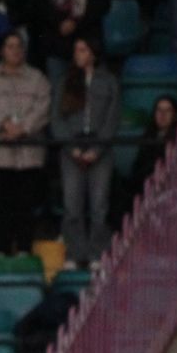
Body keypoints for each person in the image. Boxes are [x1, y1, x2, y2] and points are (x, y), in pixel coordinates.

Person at [0, 32, 52, 257]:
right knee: (0, 208)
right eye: (9, 46)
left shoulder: (38, 79)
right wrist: (3, 124)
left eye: (19, 46)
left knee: (25, 208)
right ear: (1, 50)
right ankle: (2, 253)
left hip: (28, 157)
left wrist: (23, 128)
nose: (15, 50)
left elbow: (43, 110)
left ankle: (25, 251)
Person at [53, 36, 119, 269]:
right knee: (72, 204)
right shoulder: (64, 82)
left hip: (100, 146)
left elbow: (112, 119)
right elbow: (57, 119)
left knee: (99, 203)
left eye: (82, 49)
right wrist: (72, 149)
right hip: (72, 145)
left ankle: (96, 253)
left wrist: (97, 149)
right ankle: (74, 253)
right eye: (76, 50)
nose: (77, 54)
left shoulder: (109, 82)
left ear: (93, 53)